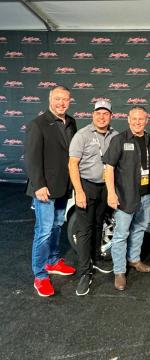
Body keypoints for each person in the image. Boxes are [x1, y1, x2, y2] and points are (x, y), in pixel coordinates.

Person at [25, 85, 77, 297]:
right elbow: (31, 157)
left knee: (57, 225)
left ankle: (53, 261)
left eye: (65, 99)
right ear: (49, 99)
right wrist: (39, 185)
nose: (61, 103)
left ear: (69, 101)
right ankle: (40, 275)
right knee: (44, 230)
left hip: (63, 186)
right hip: (44, 188)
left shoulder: (71, 122)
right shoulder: (38, 124)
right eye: (57, 99)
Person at [103, 106, 150, 291]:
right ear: (128, 120)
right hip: (125, 196)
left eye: (141, 119)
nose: (137, 122)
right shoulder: (119, 140)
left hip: (145, 195)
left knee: (140, 228)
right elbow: (109, 168)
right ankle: (119, 271)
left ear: (146, 120)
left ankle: (134, 260)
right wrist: (111, 192)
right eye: (134, 119)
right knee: (121, 234)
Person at [68, 100, 119, 296]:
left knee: (99, 224)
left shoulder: (114, 136)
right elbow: (73, 164)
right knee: (84, 229)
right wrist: (79, 191)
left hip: (105, 187)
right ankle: (84, 273)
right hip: (86, 186)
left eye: (105, 113)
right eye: (98, 113)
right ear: (93, 115)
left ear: (111, 116)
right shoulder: (82, 135)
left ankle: (95, 260)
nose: (102, 117)